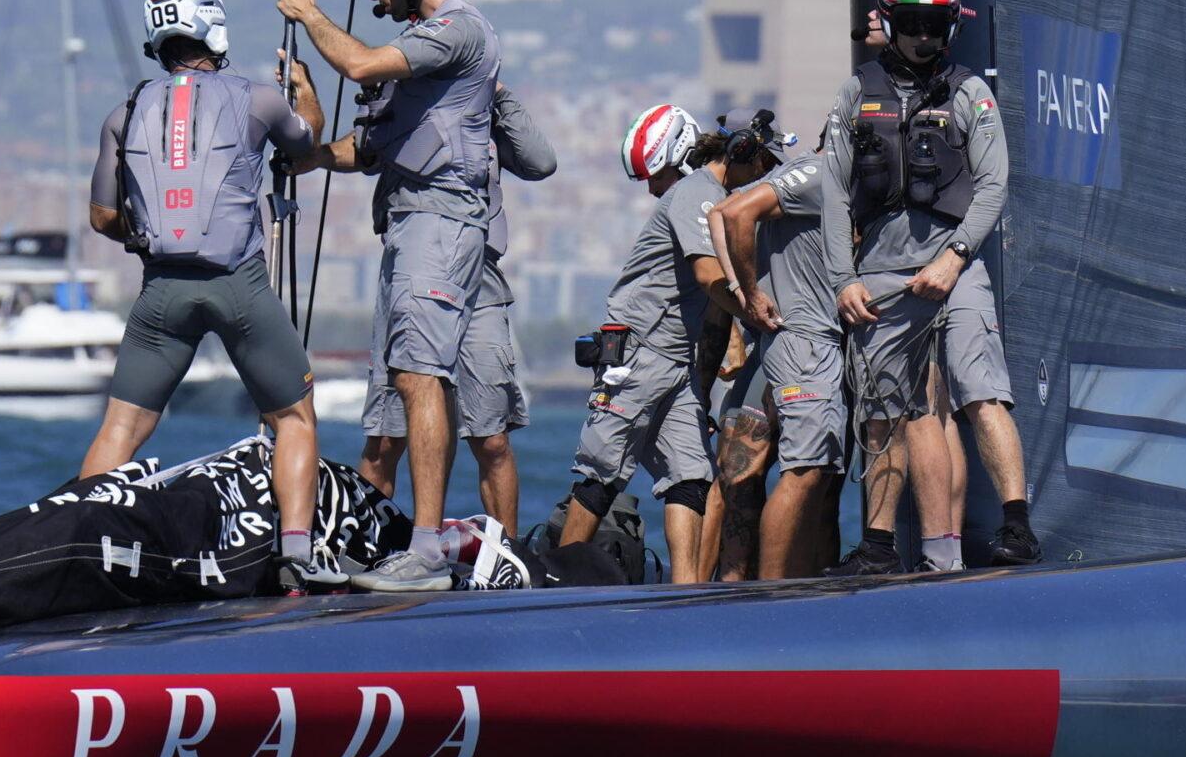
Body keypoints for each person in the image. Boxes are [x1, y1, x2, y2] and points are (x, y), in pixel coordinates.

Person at [78, 0, 329, 594]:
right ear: (213, 29)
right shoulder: (259, 100)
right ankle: (295, 556)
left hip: (161, 292)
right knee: (294, 417)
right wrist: (303, 86)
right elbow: (307, 145)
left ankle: (76, 540)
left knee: (121, 428)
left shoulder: (125, 113)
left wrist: (146, 236)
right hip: (238, 287)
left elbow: (102, 217)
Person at [277, 0, 500, 592]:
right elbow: (364, 152)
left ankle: (428, 552)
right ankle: (384, 544)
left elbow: (359, 61)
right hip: (404, 227)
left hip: (440, 224)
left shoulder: (457, 29)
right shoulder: (418, 56)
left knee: (419, 375)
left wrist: (309, 14)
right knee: (392, 399)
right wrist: (308, 142)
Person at [825, 0, 1038, 574]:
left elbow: (995, 184)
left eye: (937, 26)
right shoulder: (855, 94)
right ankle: (878, 545)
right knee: (882, 406)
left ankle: (1017, 524)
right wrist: (845, 279)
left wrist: (955, 257)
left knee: (981, 389)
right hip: (881, 273)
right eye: (913, 24)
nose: (925, 37)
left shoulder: (972, 93)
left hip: (957, 262)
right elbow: (837, 197)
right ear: (890, 23)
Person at [561, 103, 761, 581]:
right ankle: (559, 576)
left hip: (676, 360)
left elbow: (708, 290)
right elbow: (708, 274)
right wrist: (759, 314)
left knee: (690, 476)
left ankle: (683, 592)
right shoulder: (695, 192)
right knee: (601, 471)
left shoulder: (701, 192)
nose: (652, 188)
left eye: (657, 174)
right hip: (640, 351)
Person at [357, 80, 555, 531]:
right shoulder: (404, 97)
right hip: (415, 267)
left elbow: (541, 163)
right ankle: (363, 548)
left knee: (492, 440)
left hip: (479, 276)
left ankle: (505, 556)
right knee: (385, 440)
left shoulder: (481, 111)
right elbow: (365, 153)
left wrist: (500, 94)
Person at [715, 128, 855, 579]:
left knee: (814, 475)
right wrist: (749, 294)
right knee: (805, 471)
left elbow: (720, 213)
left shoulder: (810, 175)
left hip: (799, 343)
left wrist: (745, 292)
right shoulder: (820, 173)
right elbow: (733, 212)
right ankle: (773, 596)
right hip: (805, 342)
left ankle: (783, 588)